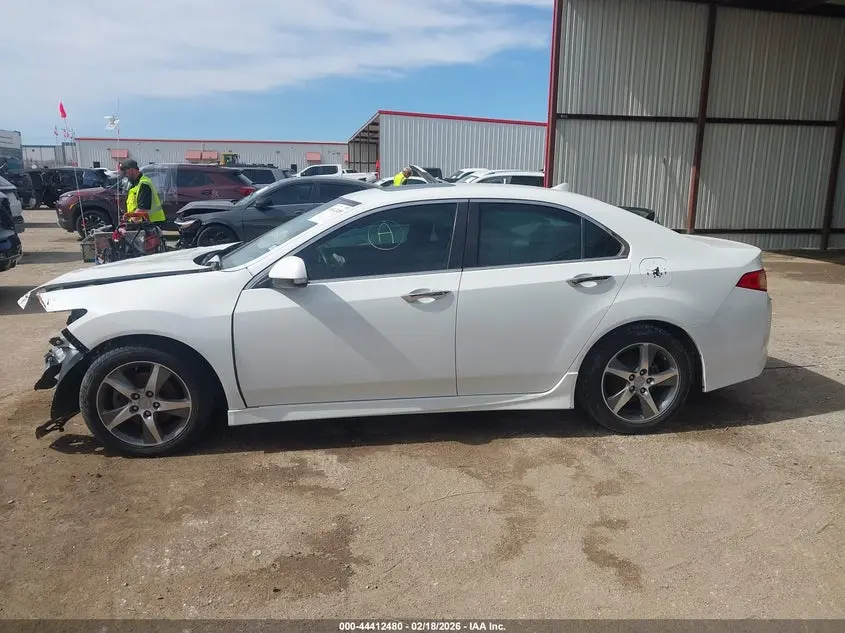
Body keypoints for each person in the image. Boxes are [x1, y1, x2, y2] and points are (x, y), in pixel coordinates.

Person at [120, 159, 165, 226]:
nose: (125, 176)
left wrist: (130, 223)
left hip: (151, 223)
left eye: (125, 173)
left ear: (132, 170)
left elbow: (142, 209)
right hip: (144, 222)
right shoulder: (135, 184)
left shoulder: (144, 184)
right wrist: (129, 217)